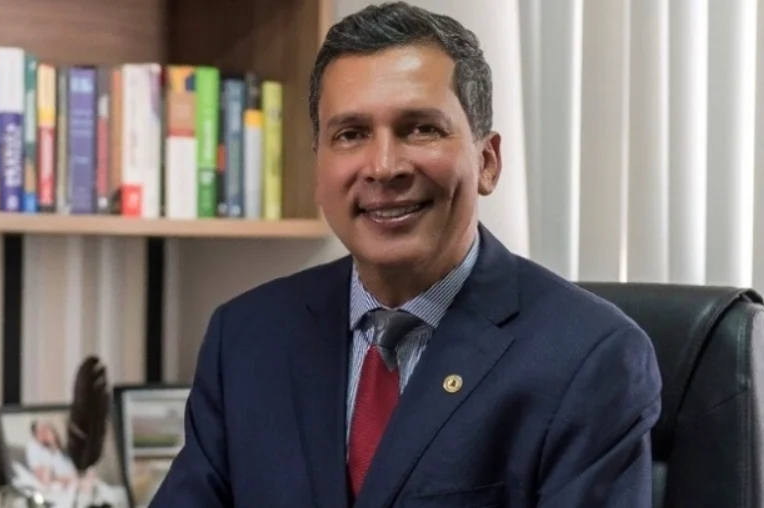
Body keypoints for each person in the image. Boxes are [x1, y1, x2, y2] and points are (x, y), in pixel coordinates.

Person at [149, 2, 662, 507]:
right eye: (351, 134)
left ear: (487, 162)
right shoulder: (246, 337)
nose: (383, 167)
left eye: (420, 128)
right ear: (318, 173)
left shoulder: (590, 358)